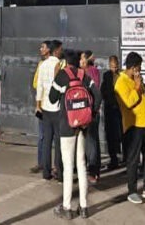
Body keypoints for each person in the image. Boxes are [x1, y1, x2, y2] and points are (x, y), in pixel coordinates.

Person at [48, 50, 101, 219]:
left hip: (67, 126)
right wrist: (91, 115)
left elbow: (51, 98)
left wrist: (56, 80)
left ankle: (67, 207)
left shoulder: (62, 75)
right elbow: (98, 95)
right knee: (82, 164)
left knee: (68, 166)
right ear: (78, 61)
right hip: (83, 126)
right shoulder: (84, 75)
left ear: (65, 61)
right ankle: (84, 207)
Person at [115, 52, 145, 204]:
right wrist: (137, 86)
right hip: (133, 126)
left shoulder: (136, 79)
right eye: (139, 67)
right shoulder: (121, 82)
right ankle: (132, 191)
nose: (140, 70)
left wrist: (138, 84)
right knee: (133, 159)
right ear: (133, 68)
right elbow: (129, 102)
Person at [35, 40, 63, 181]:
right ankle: (58, 171)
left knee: (47, 140)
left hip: (45, 107)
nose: (62, 51)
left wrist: (38, 105)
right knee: (58, 141)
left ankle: (46, 172)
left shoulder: (43, 65)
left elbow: (39, 86)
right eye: (60, 49)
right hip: (57, 107)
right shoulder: (59, 64)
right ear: (56, 50)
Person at [30, 40, 51, 174]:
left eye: (43, 47)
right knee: (42, 135)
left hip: (53, 105)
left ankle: (55, 165)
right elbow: (35, 83)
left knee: (53, 136)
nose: (40, 49)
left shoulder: (58, 63)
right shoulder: (41, 64)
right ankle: (41, 163)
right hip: (43, 104)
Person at [80, 50, 102, 183]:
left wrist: (93, 110)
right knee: (93, 141)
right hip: (91, 111)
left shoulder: (91, 72)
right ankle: (95, 168)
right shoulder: (89, 71)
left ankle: (93, 171)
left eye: (82, 58)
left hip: (90, 111)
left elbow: (95, 92)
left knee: (91, 141)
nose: (80, 61)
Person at [101, 55, 123, 170]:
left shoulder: (122, 75)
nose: (114, 69)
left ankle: (124, 157)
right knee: (110, 135)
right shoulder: (107, 76)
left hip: (120, 109)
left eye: (116, 66)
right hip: (110, 109)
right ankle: (113, 159)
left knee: (122, 134)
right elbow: (103, 91)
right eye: (112, 67)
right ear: (109, 66)